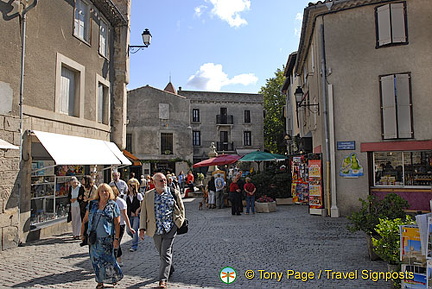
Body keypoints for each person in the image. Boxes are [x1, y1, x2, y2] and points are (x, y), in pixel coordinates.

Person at [139, 173, 185, 289]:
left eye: (165, 180)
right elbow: (143, 212)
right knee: (162, 253)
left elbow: (181, 208)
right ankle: (170, 267)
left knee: (165, 253)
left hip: (170, 227)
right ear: (154, 183)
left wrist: (179, 222)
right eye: (161, 181)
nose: (164, 182)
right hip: (155, 229)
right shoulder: (148, 195)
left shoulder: (173, 192)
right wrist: (142, 229)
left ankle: (163, 280)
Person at [81, 184, 123, 289]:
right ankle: (100, 282)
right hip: (94, 238)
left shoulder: (113, 205)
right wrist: (82, 234)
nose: (104, 193)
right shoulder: (92, 204)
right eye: (102, 191)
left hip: (107, 238)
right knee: (96, 261)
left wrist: (116, 239)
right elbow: (85, 220)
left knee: (109, 260)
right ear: (98, 193)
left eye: (106, 191)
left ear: (110, 193)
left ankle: (113, 277)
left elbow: (117, 224)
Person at [111, 184, 135, 266]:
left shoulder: (120, 202)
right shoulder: (108, 201)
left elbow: (125, 215)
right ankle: (116, 258)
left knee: (116, 241)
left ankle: (117, 259)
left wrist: (129, 227)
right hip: (110, 224)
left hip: (120, 224)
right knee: (112, 242)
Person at [126, 179, 143, 252]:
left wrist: (138, 210)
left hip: (136, 215)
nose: (130, 188)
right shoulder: (126, 196)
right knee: (128, 231)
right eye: (129, 186)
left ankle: (134, 245)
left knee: (135, 229)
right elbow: (126, 206)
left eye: (132, 186)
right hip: (129, 215)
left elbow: (142, 204)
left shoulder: (138, 195)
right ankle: (135, 238)